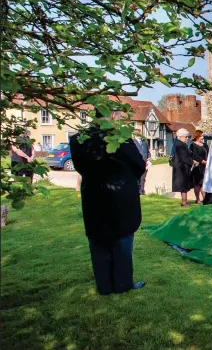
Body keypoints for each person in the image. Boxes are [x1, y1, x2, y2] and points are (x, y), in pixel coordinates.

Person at [69, 111, 146, 295]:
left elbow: (80, 167)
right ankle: (122, 284)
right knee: (122, 240)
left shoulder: (78, 139)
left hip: (94, 194)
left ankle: (104, 285)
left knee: (98, 240)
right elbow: (139, 165)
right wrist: (125, 178)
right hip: (120, 196)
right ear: (113, 116)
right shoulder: (120, 138)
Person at [171, 128, 196, 206]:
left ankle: (184, 201)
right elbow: (184, 156)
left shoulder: (181, 144)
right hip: (181, 168)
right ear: (181, 136)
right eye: (186, 137)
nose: (187, 138)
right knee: (183, 184)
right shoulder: (179, 145)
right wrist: (192, 162)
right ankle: (184, 202)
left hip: (183, 167)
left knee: (184, 185)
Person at [191, 131, 208, 204]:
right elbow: (194, 155)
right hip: (198, 166)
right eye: (202, 136)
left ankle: (205, 198)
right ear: (198, 137)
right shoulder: (193, 145)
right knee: (198, 183)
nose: (203, 137)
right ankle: (197, 199)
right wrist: (202, 161)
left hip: (206, 166)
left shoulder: (205, 145)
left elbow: (209, 153)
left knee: (204, 183)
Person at [133, 129, 151, 195]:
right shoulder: (132, 142)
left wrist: (149, 157)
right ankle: (137, 191)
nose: (139, 134)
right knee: (137, 178)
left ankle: (142, 191)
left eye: (140, 133)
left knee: (143, 178)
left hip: (144, 163)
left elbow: (148, 152)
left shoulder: (145, 142)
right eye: (137, 133)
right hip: (136, 163)